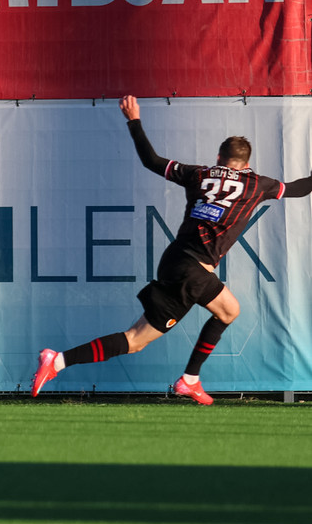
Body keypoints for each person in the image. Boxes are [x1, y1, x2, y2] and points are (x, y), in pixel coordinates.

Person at [32, 95, 312, 405]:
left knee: (203, 318)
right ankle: (182, 379)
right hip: (192, 271)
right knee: (156, 334)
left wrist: (133, 120)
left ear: (219, 157)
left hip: (175, 260)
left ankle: (65, 361)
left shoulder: (199, 174)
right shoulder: (258, 184)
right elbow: (299, 188)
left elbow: (151, 160)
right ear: (247, 165)